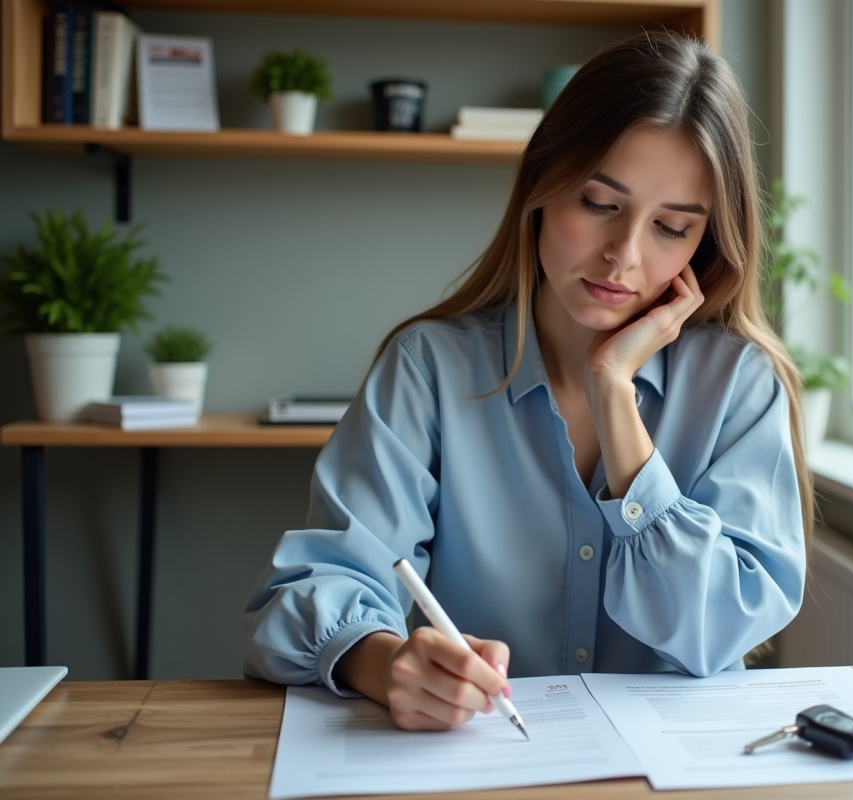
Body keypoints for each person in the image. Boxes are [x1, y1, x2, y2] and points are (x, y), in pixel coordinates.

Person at [243, 30, 812, 733]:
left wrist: (615, 399)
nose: (623, 255)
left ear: (706, 245)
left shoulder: (739, 386)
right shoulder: (427, 369)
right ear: (543, 186)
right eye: (600, 203)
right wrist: (388, 665)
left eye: (670, 227)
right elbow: (315, 591)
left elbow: (719, 629)